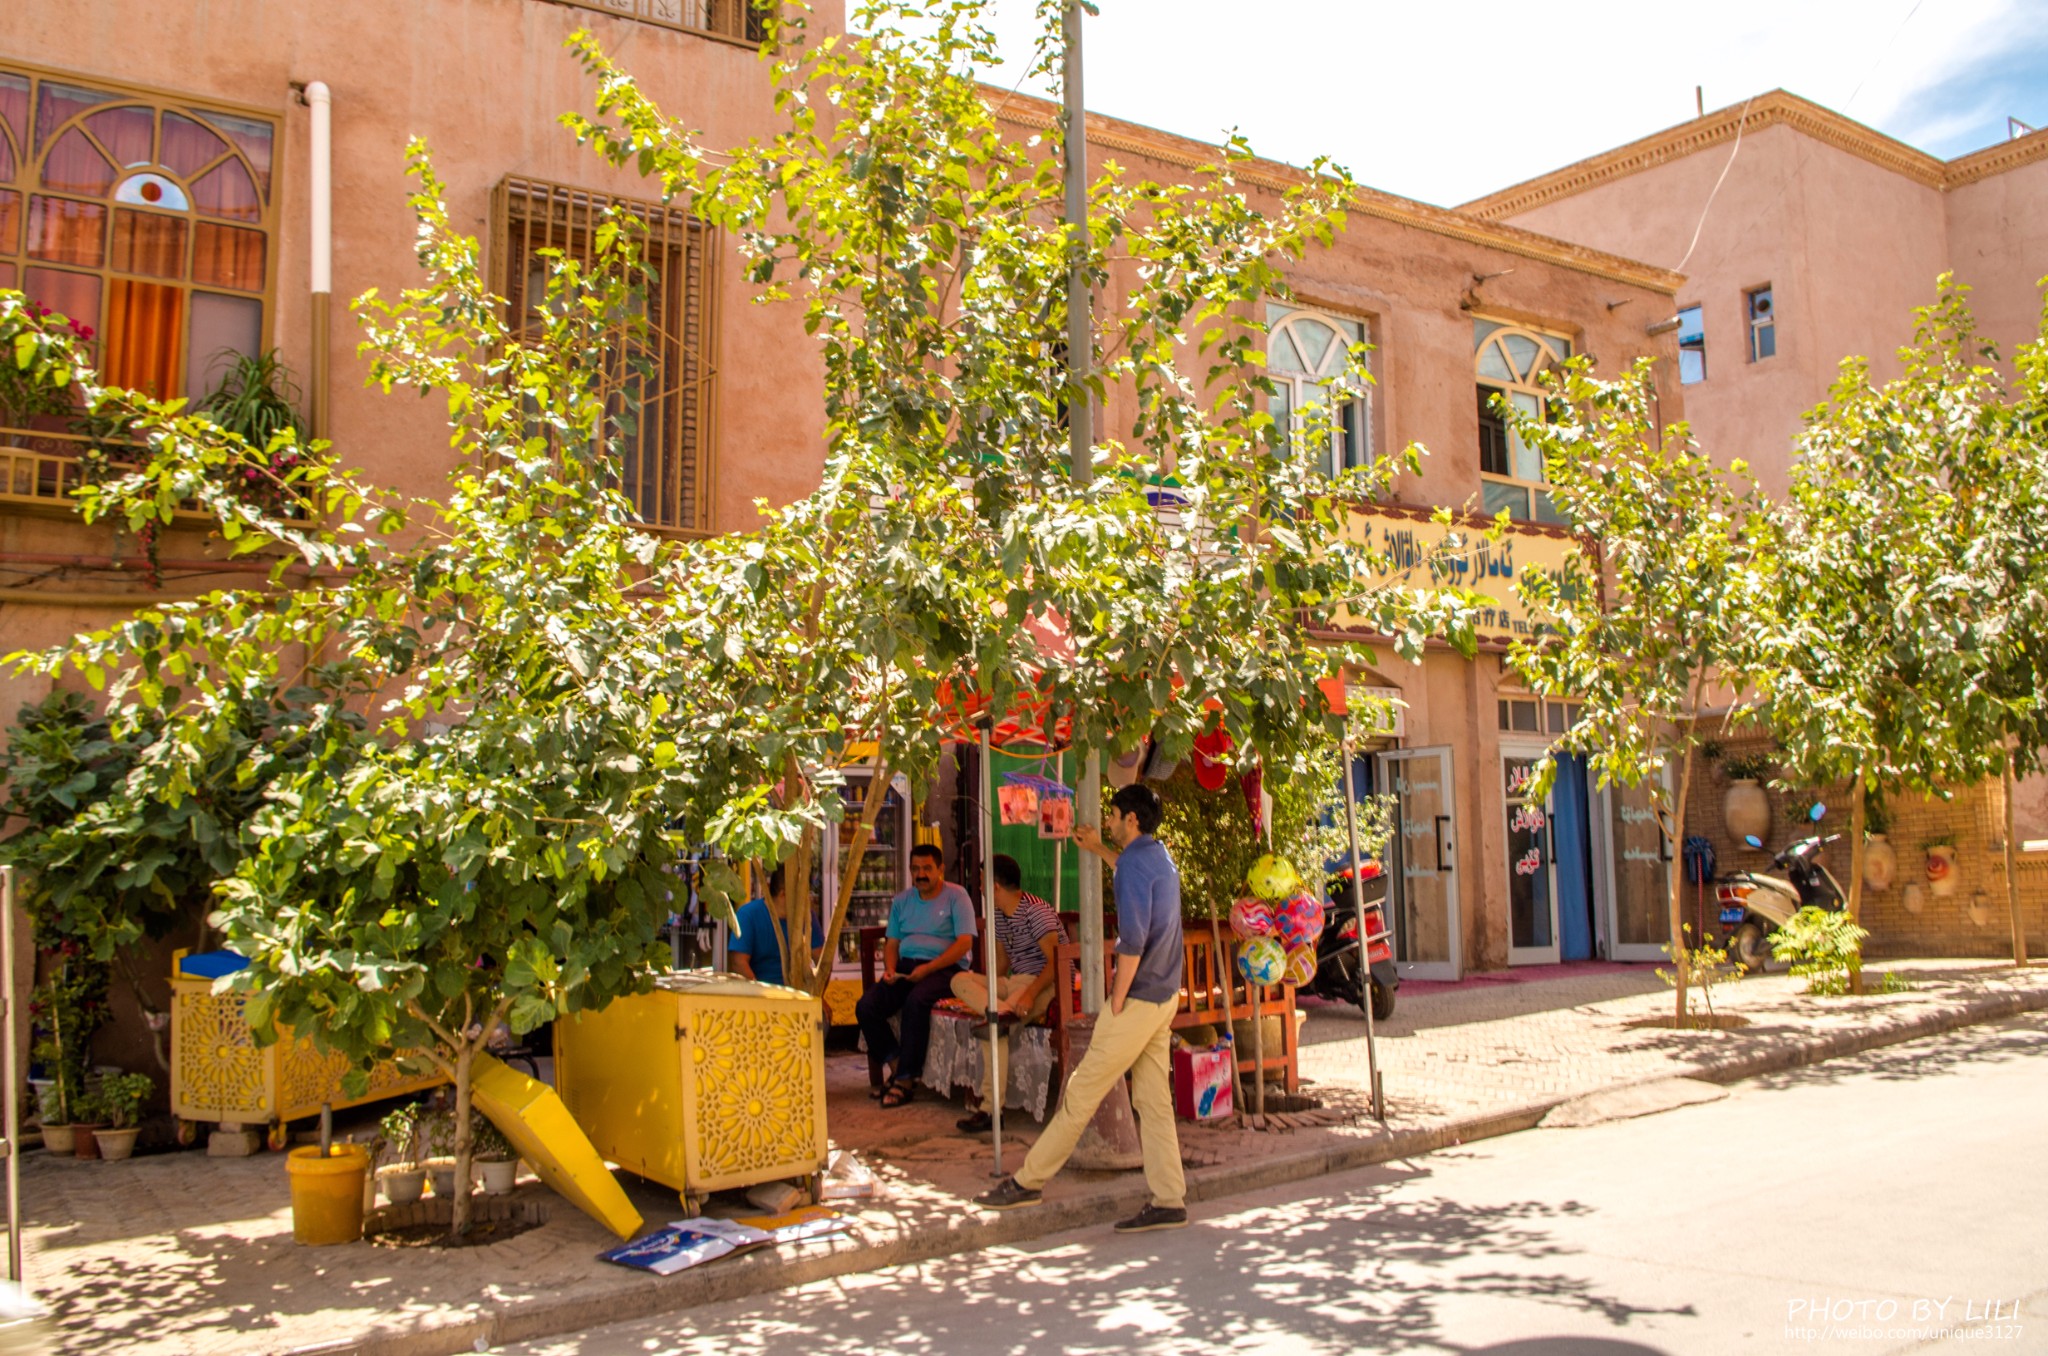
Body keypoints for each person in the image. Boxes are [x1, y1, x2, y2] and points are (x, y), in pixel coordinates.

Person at [976, 783, 1189, 1233]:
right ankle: (1169, 1199)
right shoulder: (1156, 857)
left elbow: (1132, 940)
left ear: (1131, 820)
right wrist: (1097, 849)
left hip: (1137, 1000)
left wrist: (1117, 998)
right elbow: (1128, 871)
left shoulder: (1135, 866)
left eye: (1113, 815)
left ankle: (1028, 1182)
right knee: (1153, 1102)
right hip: (1163, 996)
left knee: (1079, 1094)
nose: (1108, 821)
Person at [951, 853, 1065, 1134]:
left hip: (1044, 984)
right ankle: (1000, 1012)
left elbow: (1056, 963)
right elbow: (1001, 965)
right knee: (959, 979)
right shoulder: (999, 914)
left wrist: (1029, 995)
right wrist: (988, 988)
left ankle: (990, 1110)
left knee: (993, 1031)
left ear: (995, 885)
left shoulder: (1035, 911)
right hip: (1013, 982)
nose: (979, 887)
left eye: (982, 882)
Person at [857, 843, 977, 1108]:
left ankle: (905, 1081)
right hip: (906, 967)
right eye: (915, 869)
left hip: (946, 969)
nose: (921, 874)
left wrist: (929, 968)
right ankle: (898, 1066)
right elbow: (892, 943)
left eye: (927, 868)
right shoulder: (902, 901)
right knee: (866, 1006)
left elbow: (964, 943)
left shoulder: (957, 896)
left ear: (940, 869)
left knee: (916, 1001)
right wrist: (890, 969)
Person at [728, 866, 824, 989]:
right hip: (759, 993)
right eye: (800, 894)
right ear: (783, 894)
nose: (806, 899)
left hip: (799, 993)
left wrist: (816, 991)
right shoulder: (748, 915)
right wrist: (761, 994)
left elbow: (822, 961)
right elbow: (738, 962)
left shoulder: (807, 917)